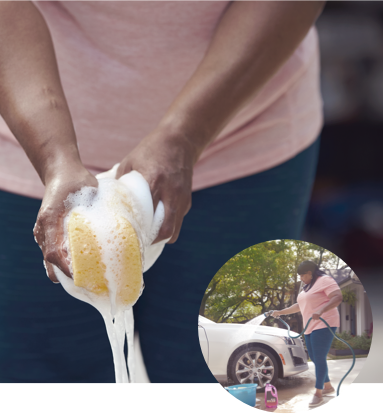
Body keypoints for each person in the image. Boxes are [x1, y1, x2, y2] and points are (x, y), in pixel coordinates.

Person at [0, 1, 327, 383]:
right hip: (26, 145)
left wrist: (185, 136)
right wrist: (54, 159)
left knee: (226, 372)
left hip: (242, 137)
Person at [272, 260, 343, 407]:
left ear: (310, 273)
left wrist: (321, 310)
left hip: (325, 322)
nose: (300, 278)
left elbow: (337, 297)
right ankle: (328, 386)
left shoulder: (325, 280)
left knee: (319, 357)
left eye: (302, 275)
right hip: (310, 325)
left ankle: (318, 393)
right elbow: (299, 305)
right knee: (315, 358)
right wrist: (280, 312)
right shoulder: (306, 287)